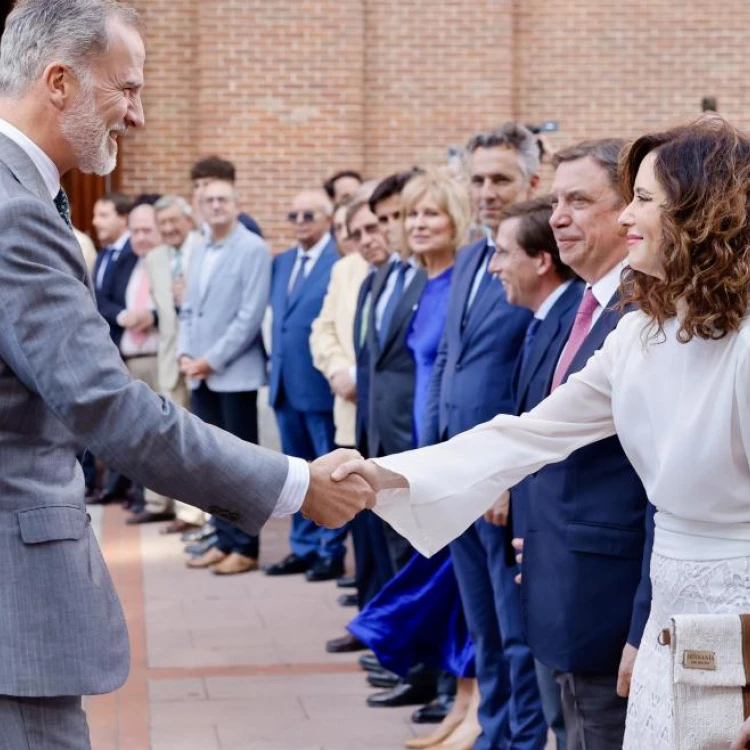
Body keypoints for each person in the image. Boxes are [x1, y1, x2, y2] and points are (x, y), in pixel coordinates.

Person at [0, 2, 371, 745]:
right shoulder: (17, 211)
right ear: (60, 81)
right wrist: (295, 486)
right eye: (127, 89)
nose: (136, 117)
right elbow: (106, 406)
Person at [333, 117, 750, 749]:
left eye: (641, 199)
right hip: (670, 606)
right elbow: (526, 435)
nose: (625, 216)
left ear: (699, 213)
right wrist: (393, 474)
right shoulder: (639, 336)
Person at [421, 124, 545, 750]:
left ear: (532, 181)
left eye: (501, 179)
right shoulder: (470, 257)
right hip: (455, 472)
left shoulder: (544, 260)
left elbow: (536, 379)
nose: (488, 191)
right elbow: (450, 357)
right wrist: (436, 457)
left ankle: (521, 739)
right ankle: (492, 733)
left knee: (514, 623)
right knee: (480, 623)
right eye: (478, 179)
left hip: (500, 480)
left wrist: (508, 475)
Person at [489, 197, 584, 750]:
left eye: (503, 253)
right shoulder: (541, 322)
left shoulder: (579, 317)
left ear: (541, 260)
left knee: (571, 709)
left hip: (557, 532)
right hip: (534, 527)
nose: (495, 266)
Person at [178, 177, 272, 574]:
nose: (215, 205)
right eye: (208, 200)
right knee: (210, 464)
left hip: (233, 374)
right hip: (199, 373)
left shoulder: (252, 248)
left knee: (240, 465)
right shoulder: (198, 247)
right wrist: (185, 352)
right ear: (199, 205)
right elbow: (188, 307)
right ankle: (222, 538)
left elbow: (249, 317)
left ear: (237, 203)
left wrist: (210, 360)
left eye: (222, 199)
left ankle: (246, 548)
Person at [265, 189, 349, 582]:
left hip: (318, 388)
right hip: (284, 384)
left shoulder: (338, 263)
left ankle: (328, 551)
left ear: (328, 219)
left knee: (327, 473)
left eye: (308, 215)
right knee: (295, 474)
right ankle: (302, 547)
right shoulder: (281, 263)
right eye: (293, 214)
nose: (300, 221)